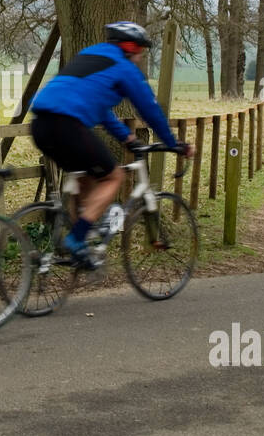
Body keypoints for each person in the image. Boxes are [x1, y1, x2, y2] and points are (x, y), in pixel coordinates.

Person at [30, 21, 192, 268]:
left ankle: (79, 243)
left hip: (40, 126)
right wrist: (172, 143)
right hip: (68, 126)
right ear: (131, 48)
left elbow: (101, 108)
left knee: (86, 178)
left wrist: (126, 138)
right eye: (140, 51)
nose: (140, 57)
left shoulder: (89, 55)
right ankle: (76, 239)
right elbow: (149, 109)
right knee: (113, 176)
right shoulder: (124, 68)